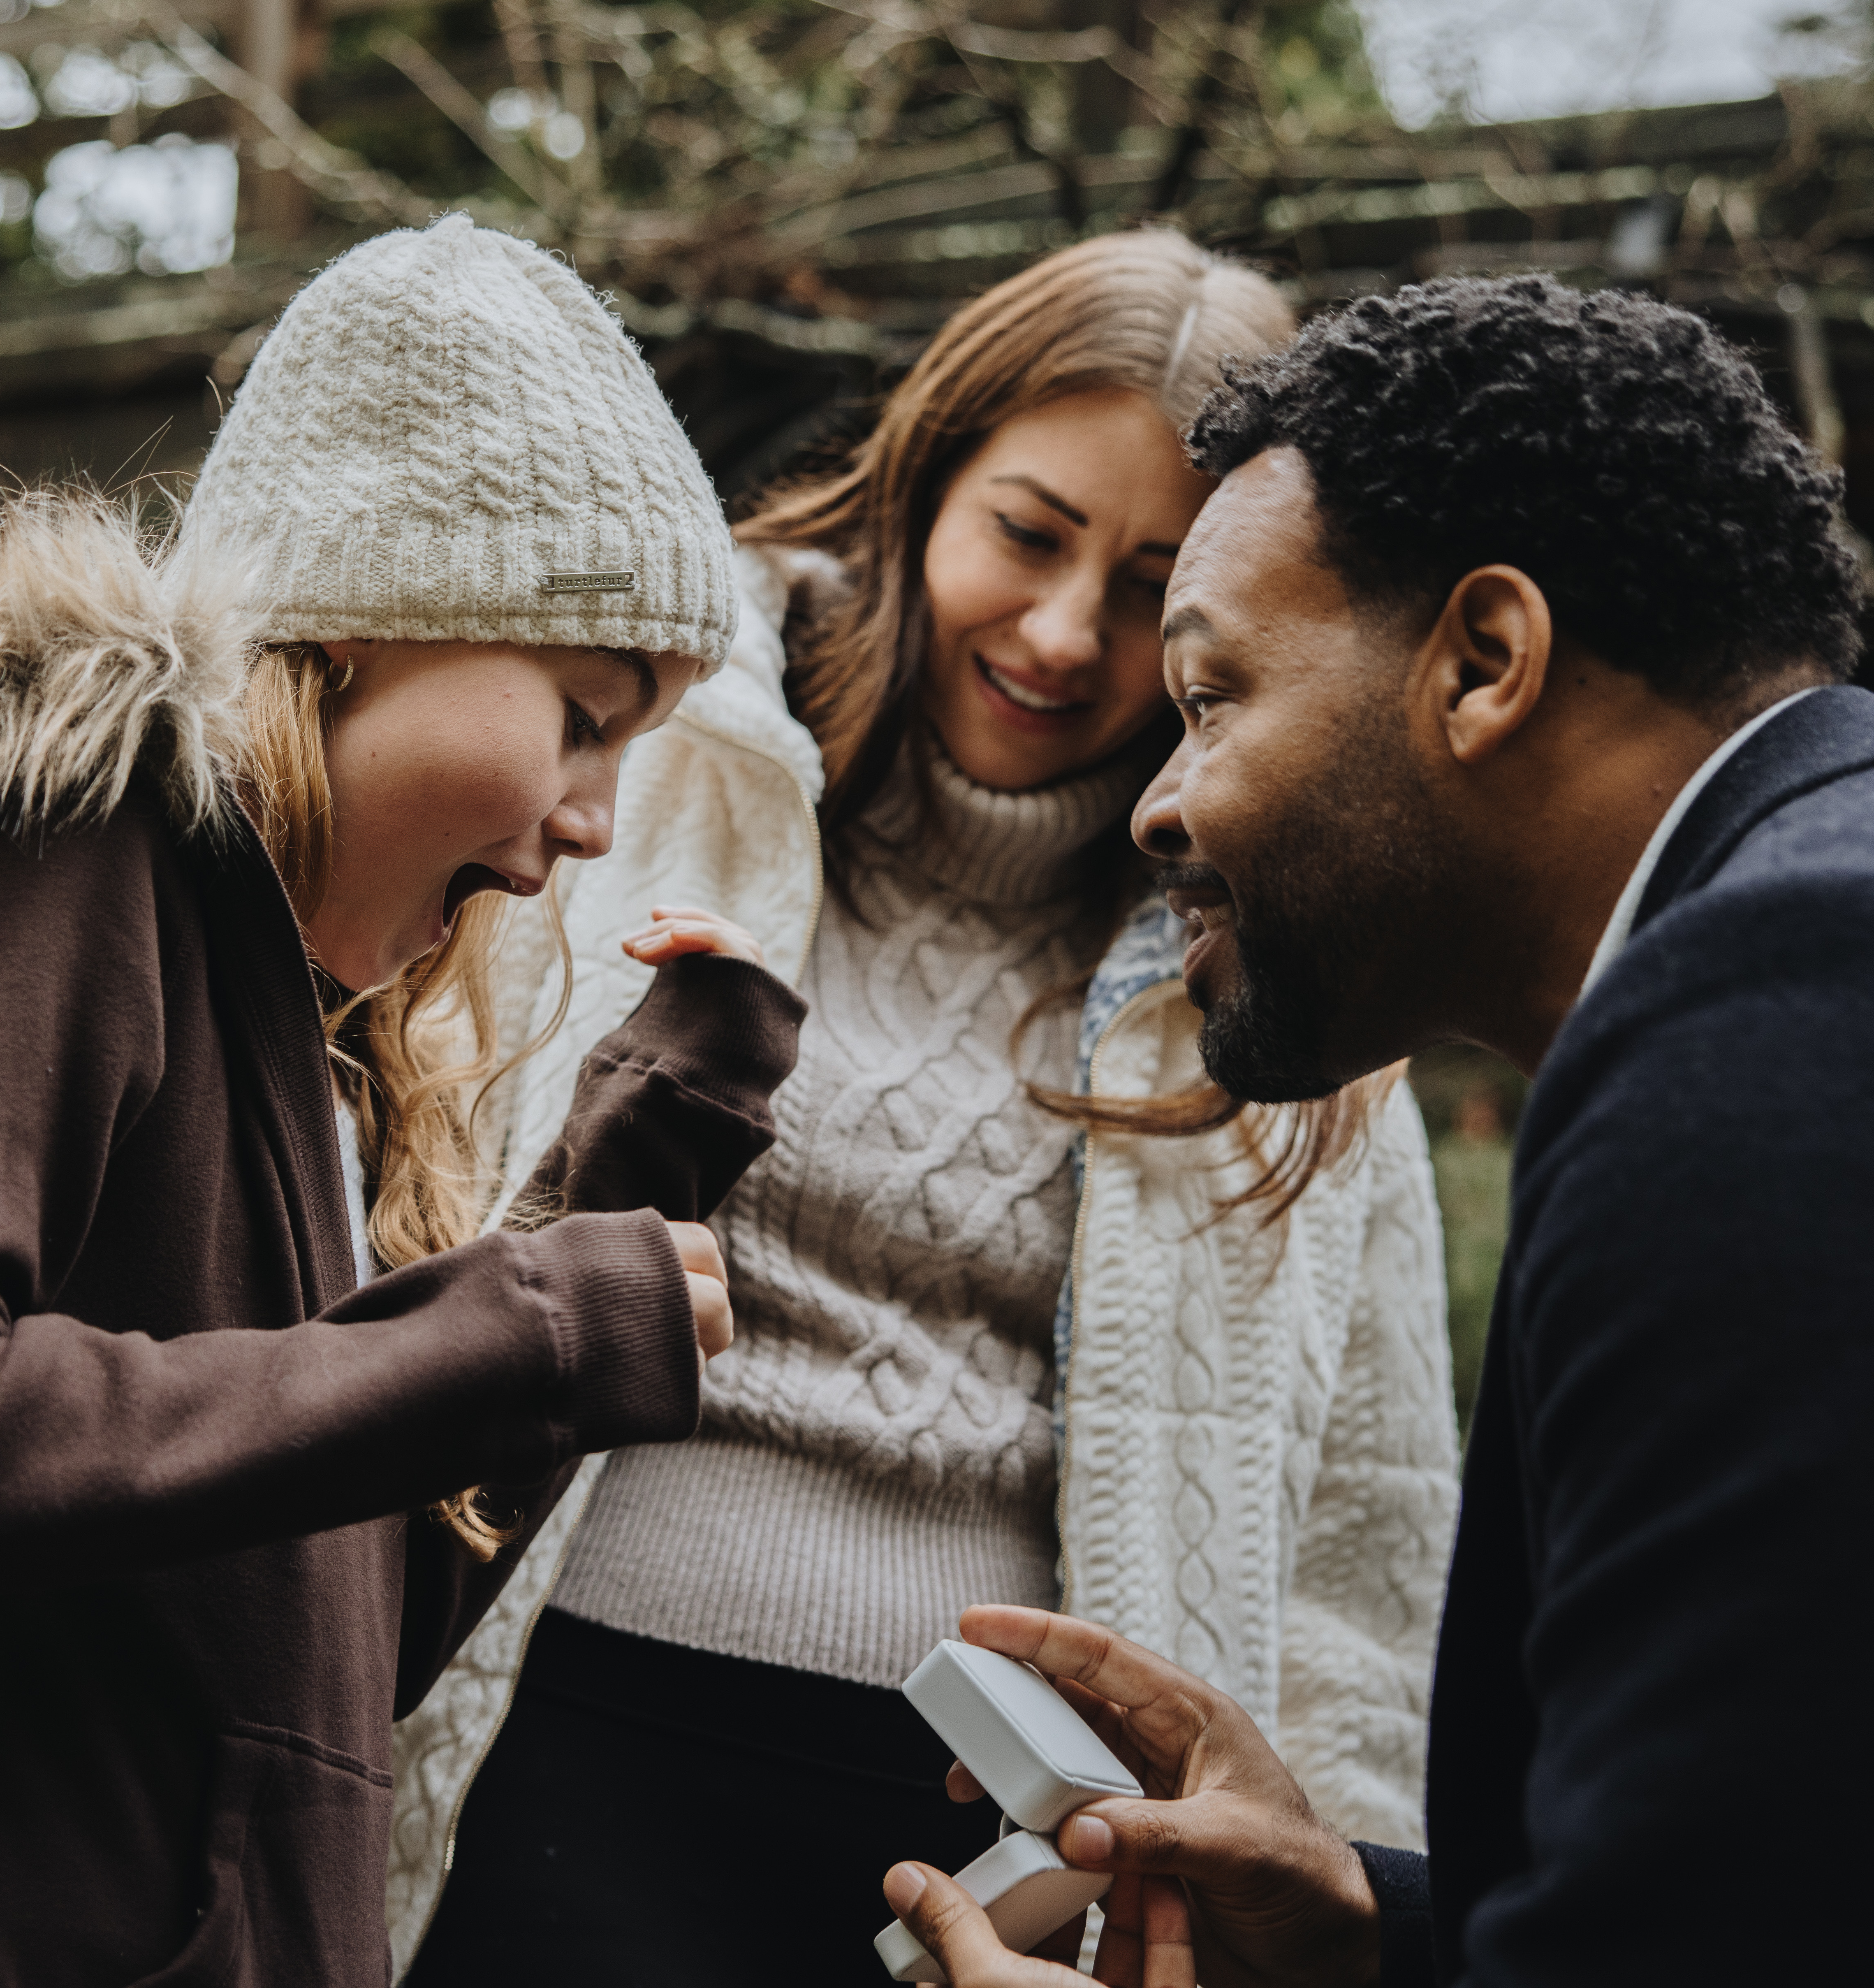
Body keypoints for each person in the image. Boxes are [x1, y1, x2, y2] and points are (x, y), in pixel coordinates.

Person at [876, 275, 1874, 1985]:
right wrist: (1365, 1932)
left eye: (1214, 690)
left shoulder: (1794, 1021)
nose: (1160, 802)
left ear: (1482, 664)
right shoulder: (1866, 920)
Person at [394, 231, 1459, 1985]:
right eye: (1028, 535)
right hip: (545, 1719)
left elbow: (1363, 1541)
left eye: (1153, 589)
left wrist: (1315, 1924)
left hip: (1002, 1848)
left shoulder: (1295, 974)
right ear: (919, 482)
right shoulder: (645, 763)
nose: (1063, 634)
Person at [0, 213, 805, 1986]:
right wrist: (503, 1332)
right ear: (360, 629)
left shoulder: (322, 1042)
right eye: (587, 715)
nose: (595, 817)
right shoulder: (83, 848)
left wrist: (637, 1174)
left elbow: (338, 1664)